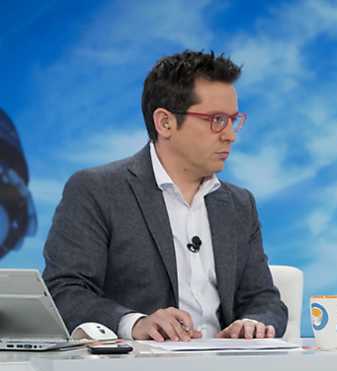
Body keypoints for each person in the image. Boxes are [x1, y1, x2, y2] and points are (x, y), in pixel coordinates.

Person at [43, 50, 286, 341]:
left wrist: (254, 322)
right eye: (217, 120)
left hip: (225, 362)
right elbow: (64, 292)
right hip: (140, 364)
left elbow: (264, 299)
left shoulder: (239, 203)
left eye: (233, 120)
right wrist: (134, 323)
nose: (230, 135)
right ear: (165, 123)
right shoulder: (97, 190)